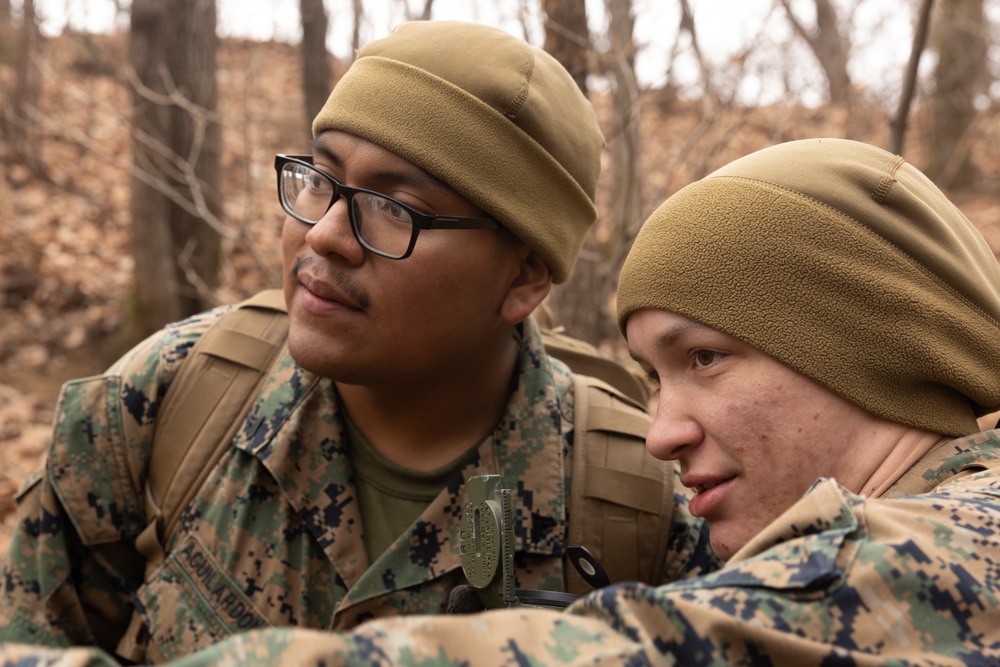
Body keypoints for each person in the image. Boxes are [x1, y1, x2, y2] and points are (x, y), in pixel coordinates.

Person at [11, 136, 993, 666]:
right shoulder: (185, 386)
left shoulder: (954, 548)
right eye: (651, 376)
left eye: (705, 358)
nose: (662, 431)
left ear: (863, 346)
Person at [0, 20, 715, 665]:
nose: (325, 235)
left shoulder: (643, 508)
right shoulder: (171, 398)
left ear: (524, 275)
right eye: (320, 181)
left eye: (389, 207)